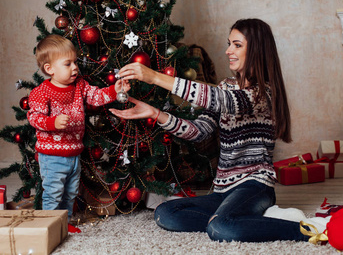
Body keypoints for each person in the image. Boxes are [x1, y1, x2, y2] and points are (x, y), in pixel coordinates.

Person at [110, 19, 316, 242]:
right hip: (223, 191)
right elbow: (197, 131)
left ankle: (298, 229)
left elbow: (219, 100)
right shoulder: (225, 85)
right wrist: (155, 114)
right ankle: (240, 219)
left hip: (255, 186)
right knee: (165, 213)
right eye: (229, 44)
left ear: (256, 49)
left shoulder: (263, 93)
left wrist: (155, 77)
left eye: (237, 45)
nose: (228, 51)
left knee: (221, 228)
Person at [27, 34, 130, 227]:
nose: (75, 67)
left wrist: (114, 90)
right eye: (68, 64)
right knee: (53, 192)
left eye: (75, 62)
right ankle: (47, 227)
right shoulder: (41, 92)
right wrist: (52, 123)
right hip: (52, 155)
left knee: (71, 193)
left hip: (74, 153)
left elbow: (96, 96)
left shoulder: (79, 85)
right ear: (50, 69)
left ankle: (64, 225)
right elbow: (33, 117)